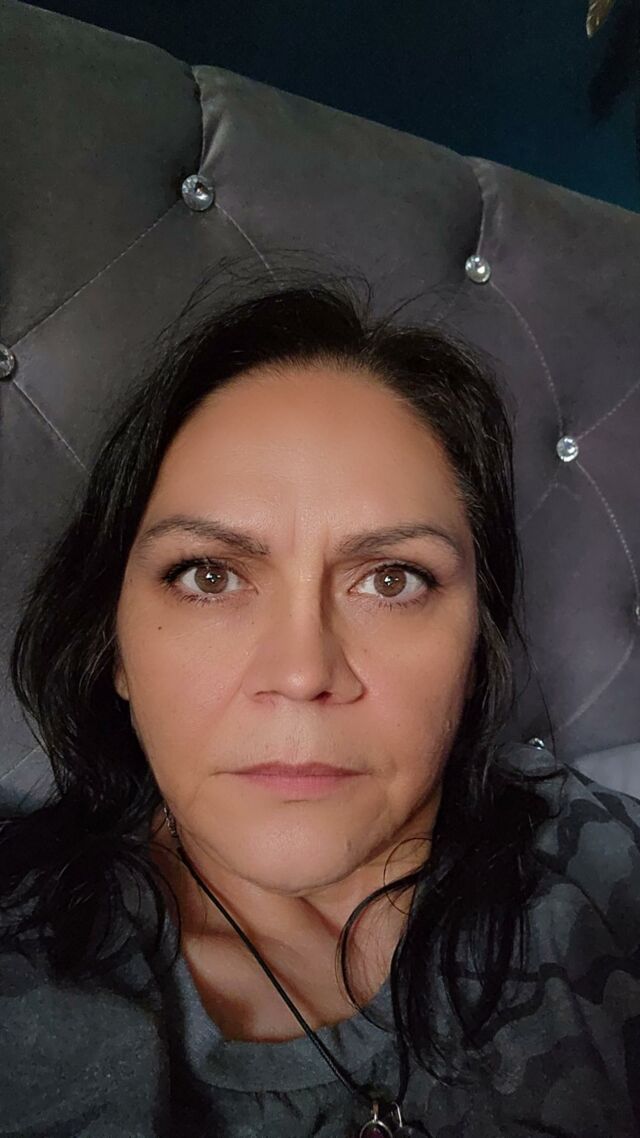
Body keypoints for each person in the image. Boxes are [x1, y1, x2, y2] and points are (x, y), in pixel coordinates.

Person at [0, 272, 638, 1138]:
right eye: (209, 576)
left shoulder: (603, 869)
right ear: (114, 649)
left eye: (392, 580)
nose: (303, 672)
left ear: (473, 650)